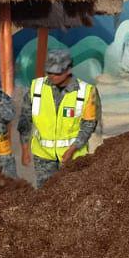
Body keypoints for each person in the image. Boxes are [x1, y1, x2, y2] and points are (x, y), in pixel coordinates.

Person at [19, 47, 98, 188]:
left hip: (74, 156)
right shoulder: (35, 88)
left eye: (57, 72)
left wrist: (72, 149)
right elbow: (25, 119)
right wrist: (25, 149)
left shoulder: (87, 92)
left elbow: (89, 124)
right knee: (46, 195)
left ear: (68, 70)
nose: (52, 76)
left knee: (72, 194)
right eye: (49, 72)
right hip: (43, 156)